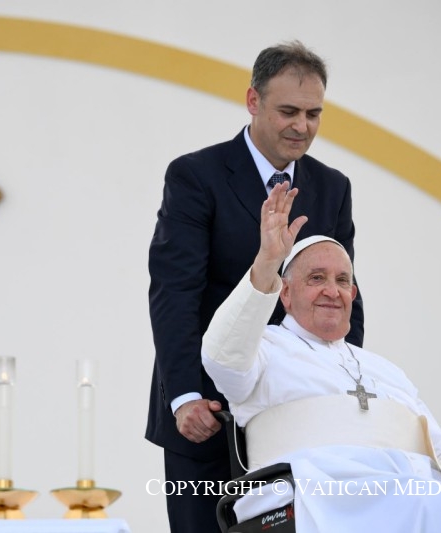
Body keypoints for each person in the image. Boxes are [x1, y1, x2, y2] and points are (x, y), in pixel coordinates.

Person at [201, 183, 441, 531]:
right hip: (318, 490)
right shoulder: (263, 348)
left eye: (342, 281)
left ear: (352, 294)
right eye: (317, 278)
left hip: (409, 483)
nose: (332, 291)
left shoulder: (385, 370)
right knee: (427, 504)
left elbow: (438, 448)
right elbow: (221, 357)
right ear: (286, 293)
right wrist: (267, 263)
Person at [146, 40, 364, 531]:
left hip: (300, 420)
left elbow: (345, 297)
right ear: (253, 101)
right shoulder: (195, 176)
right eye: (288, 111)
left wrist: (346, 391)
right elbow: (175, 292)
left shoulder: (333, 187)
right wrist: (184, 396)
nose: (302, 126)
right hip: (208, 415)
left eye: (313, 114)